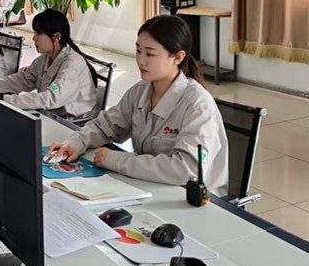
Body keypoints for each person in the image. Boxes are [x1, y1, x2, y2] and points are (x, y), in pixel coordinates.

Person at [48, 15, 229, 196]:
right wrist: (76, 142)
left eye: (150, 54)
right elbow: (106, 125)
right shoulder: (141, 91)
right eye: (138, 51)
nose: (141, 60)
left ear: (178, 57)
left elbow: (186, 169)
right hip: (151, 188)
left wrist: (117, 160)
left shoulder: (197, 105)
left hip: (194, 199)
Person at [0, 9, 97, 121]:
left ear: (56, 37)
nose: (34, 38)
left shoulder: (72, 64)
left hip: (73, 123)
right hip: (53, 114)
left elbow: (50, 98)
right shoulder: (46, 57)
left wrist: (4, 100)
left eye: (38, 33)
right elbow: (23, 79)